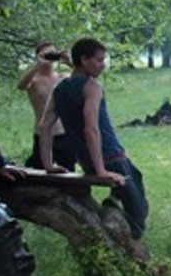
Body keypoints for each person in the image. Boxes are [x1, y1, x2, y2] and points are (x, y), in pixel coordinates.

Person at [39, 37, 149, 239]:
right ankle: (122, 240)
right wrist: (101, 170)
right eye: (99, 60)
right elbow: (91, 129)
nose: (103, 65)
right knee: (138, 213)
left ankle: (113, 209)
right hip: (111, 158)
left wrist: (48, 165)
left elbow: (44, 126)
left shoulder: (60, 88)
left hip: (89, 161)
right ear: (84, 59)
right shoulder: (91, 87)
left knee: (136, 178)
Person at [16, 41, 77, 170]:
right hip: (42, 133)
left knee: (68, 171)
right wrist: (38, 65)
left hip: (64, 133)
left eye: (52, 53)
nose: (50, 57)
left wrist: (69, 62)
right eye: (46, 54)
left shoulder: (63, 78)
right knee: (40, 172)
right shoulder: (34, 80)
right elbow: (21, 86)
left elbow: (85, 79)